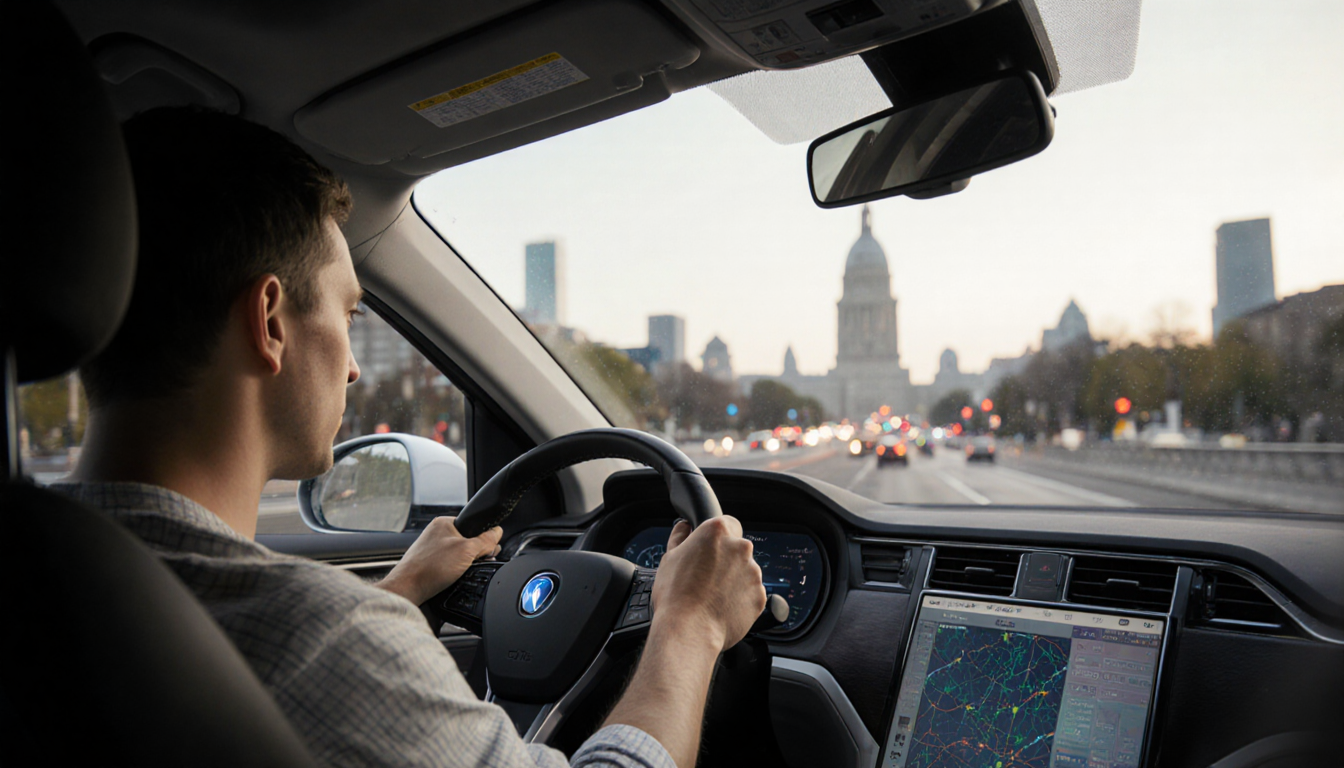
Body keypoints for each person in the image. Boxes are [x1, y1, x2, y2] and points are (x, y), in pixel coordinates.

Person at [55, 107, 766, 768]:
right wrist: (691, 622)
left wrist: (402, 591)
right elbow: (320, 660)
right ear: (270, 321)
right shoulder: (328, 639)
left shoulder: (48, 573)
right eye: (350, 313)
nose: (357, 365)